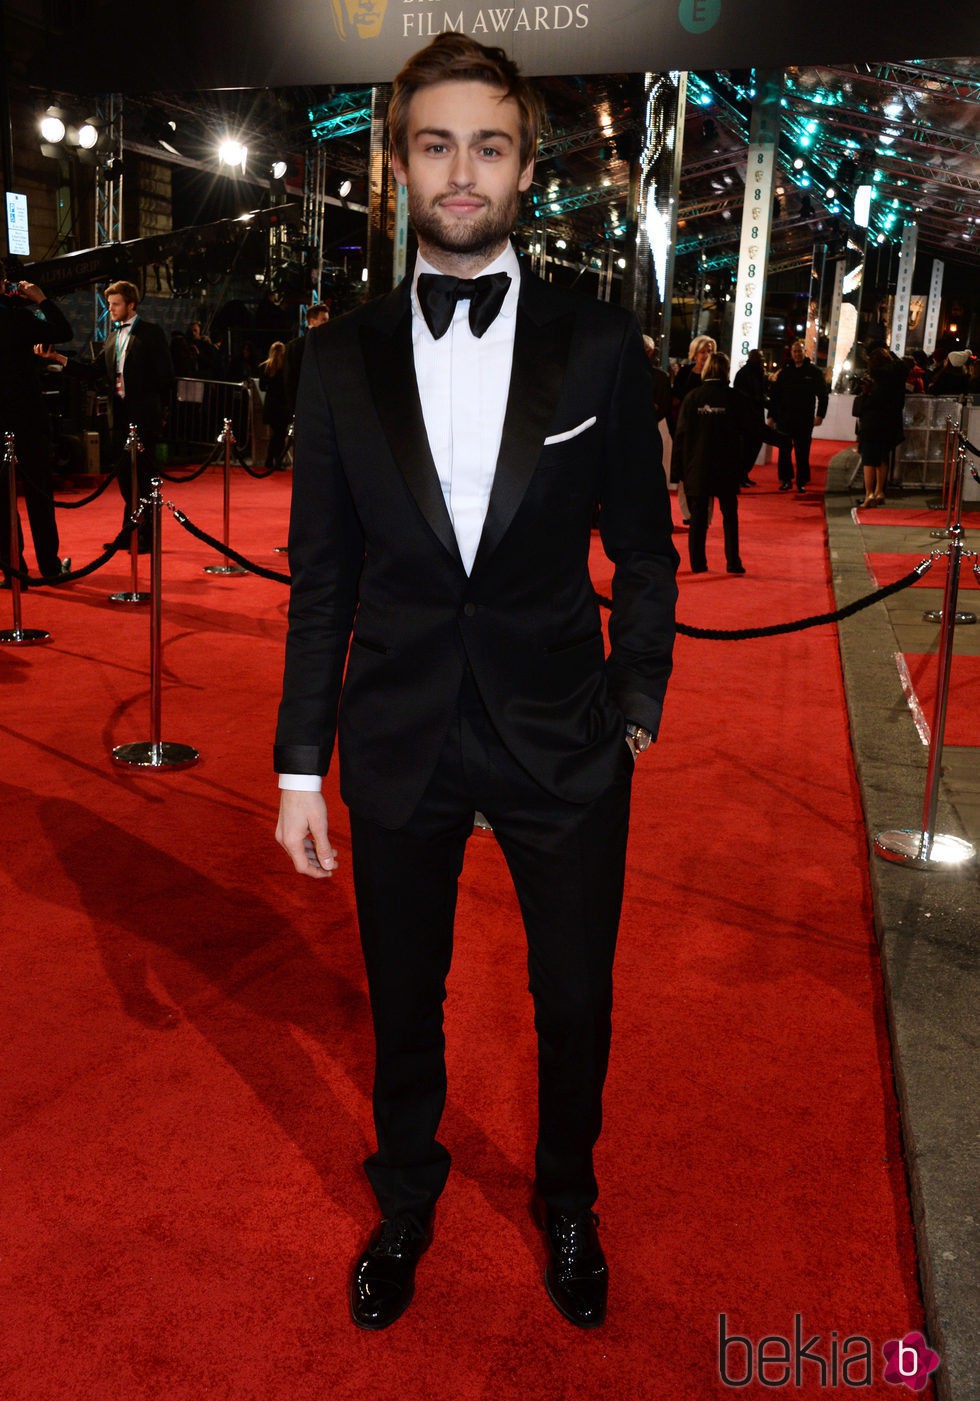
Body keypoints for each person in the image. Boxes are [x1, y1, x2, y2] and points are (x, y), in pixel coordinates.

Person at [274, 33, 678, 1334]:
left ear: (523, 167)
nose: (463, 173)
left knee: (572, 995)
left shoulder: (601, 344)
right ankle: (406, 1197)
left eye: (488, 147)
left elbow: (647, 546)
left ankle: (569, 1198)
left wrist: (636, 704)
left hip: (563, 732)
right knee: (404, 995)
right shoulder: (337, 359)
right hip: (398, 728)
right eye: (437, 144)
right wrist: (298, 764)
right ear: (400, 165)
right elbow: (321, 575)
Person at [0, 261, 73, 586]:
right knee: (39, 495)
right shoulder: (18, 318)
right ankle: (49, 567)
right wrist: (40, 298)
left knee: (1, 502)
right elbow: (63, 331)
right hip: (26, 417)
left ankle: (13, 571)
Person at [102, 280, 173, 552]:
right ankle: (129, 533)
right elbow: (98, 370)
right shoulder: (111, 336)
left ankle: (147, 537)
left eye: (116, 304)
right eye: (109, 304)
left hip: (144, 417)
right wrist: (60, 360)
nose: (111, 309)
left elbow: (165, 375)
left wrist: (158, 412)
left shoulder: (151, 333)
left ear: (131, 305)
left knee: (143, 479)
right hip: (118, 419)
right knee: (124, 480)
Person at [672, 351, 749, 574]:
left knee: (698, 517)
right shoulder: (735, 398)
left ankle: (698, 563)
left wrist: (677, 471)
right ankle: (733, 562)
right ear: (726, 370)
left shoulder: (693, 397)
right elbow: (750, 431)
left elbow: (681, 435)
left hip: (698, 465)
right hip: (726, 465)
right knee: (729, 516)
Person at [768, 339, 828, 493]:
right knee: (784, 452)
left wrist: (820, 415)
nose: (797, 354)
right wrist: (772, 416)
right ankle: (786, 480)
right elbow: (775, 396)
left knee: (802, 452)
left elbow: (823, 395)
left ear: (804, 352)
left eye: (799, 351)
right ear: (791, 353)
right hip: (785, 419)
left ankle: (801, 481)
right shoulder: (785, 372)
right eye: (794, 351)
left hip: (804, 419)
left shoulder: (814, 372)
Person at [853, 348, 906, 508]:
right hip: (890, 422)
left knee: (869, 458)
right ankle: (879, 492)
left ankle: (869, 493)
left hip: (873, 422)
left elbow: (872, 402)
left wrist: (865, 394)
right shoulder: (897, 377)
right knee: (883, 457)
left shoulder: (875, 378)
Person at [283, 303, 330, 419]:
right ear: (312, 321)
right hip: (306, 407)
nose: (327, 324)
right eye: (323, 320)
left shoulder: (331, 345)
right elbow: (290, 380)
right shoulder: (296, 346)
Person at [258, 340, 289, 468]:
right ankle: (275, 460)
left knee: (275, 433)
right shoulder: (285, 368)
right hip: (282, 403)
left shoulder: (265, 367)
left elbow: (262, 386)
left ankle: (271, 460)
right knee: (280, 435)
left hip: (271, 403)